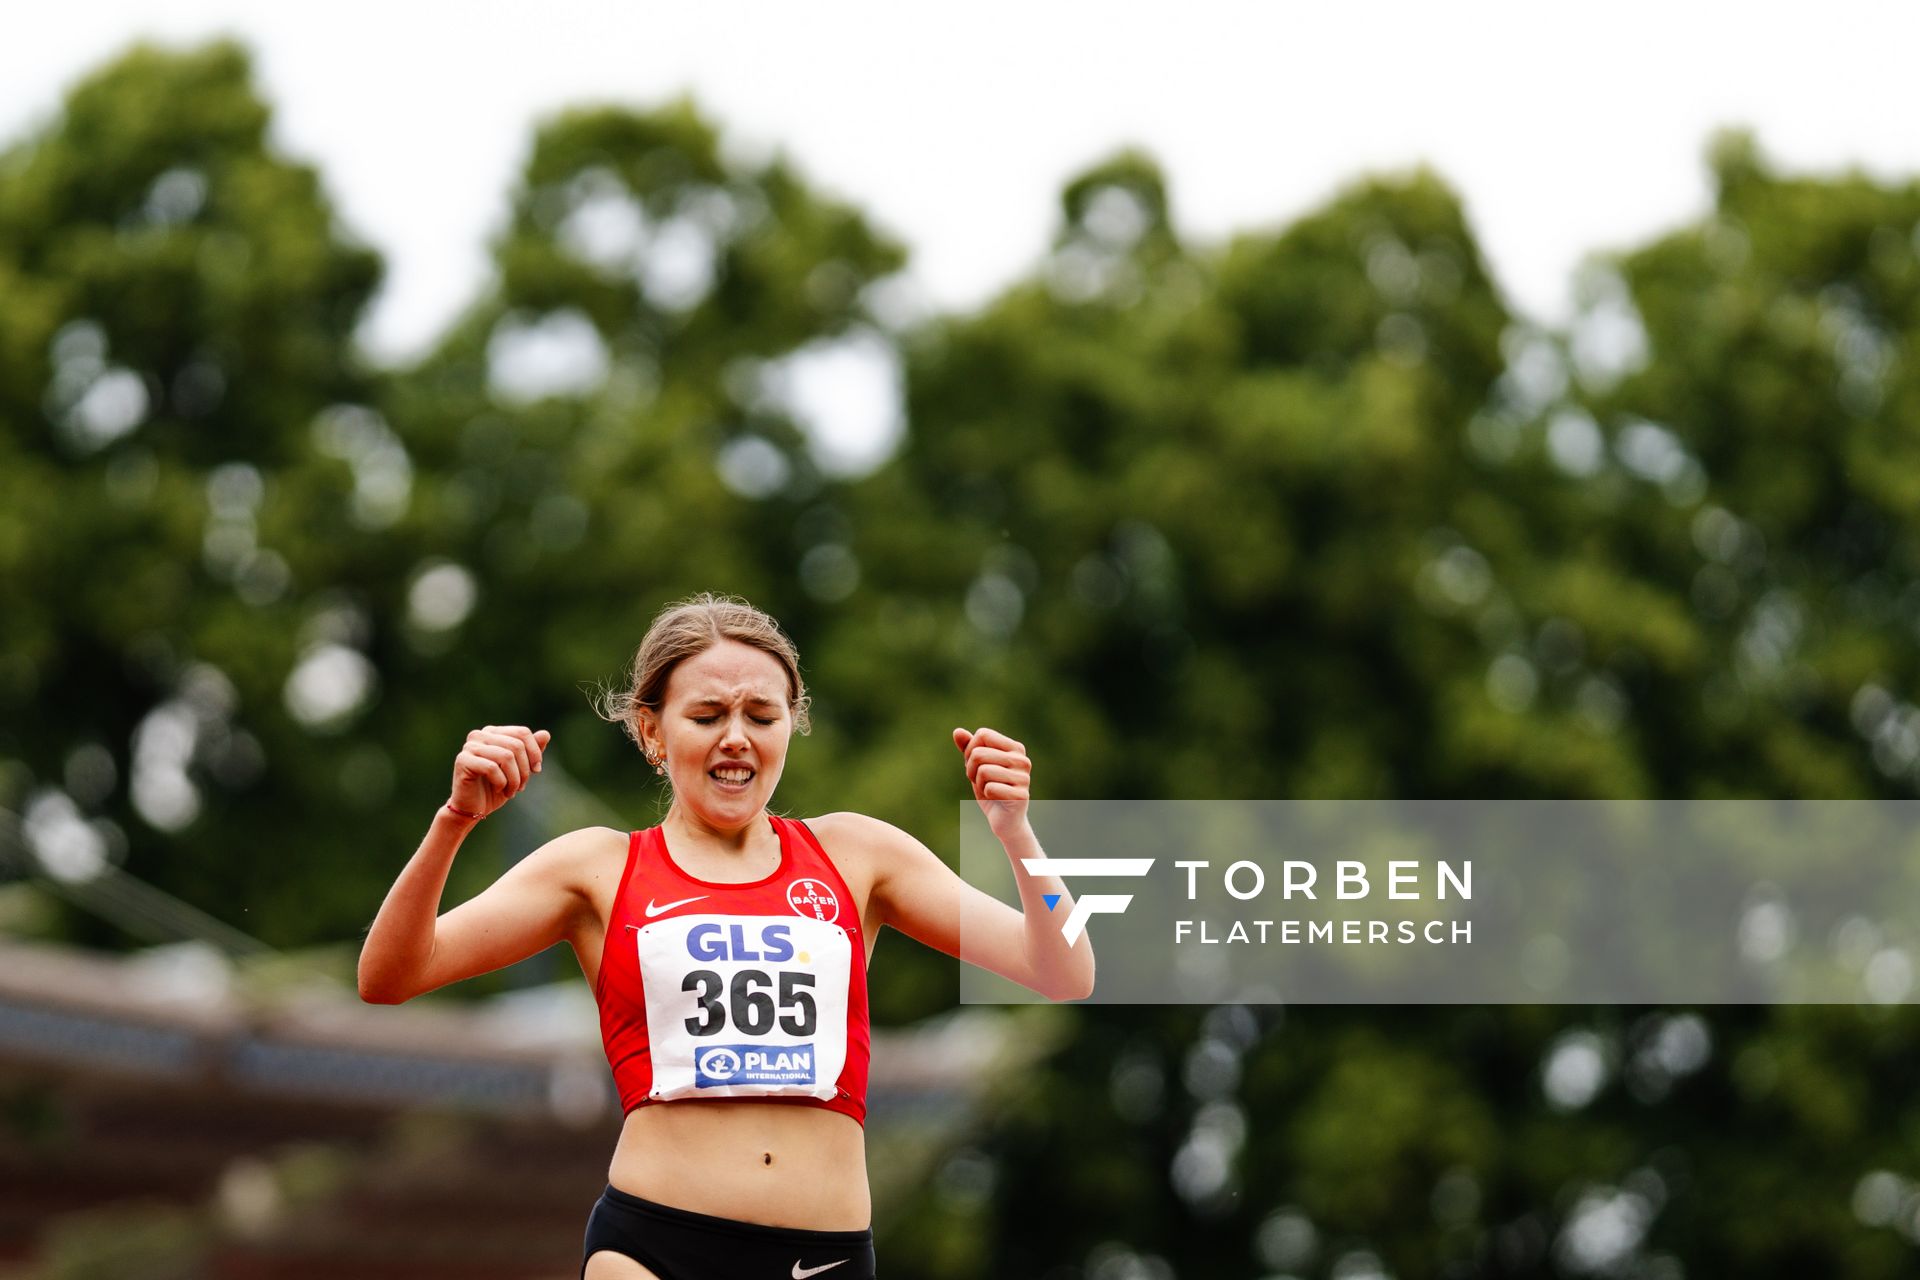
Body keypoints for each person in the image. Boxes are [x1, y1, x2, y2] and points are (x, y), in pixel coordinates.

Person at [357, 592, 1094, 1280]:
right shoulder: (598, 868)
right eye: (707, 715)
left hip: (825, 1252)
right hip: (652, 1245)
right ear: (653, 730)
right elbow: (389, 976)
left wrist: (1015, 831)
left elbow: (1064, 970)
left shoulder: (858, 856)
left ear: (790, 726)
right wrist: (452, 824)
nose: (736, 738)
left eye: (761, 716)